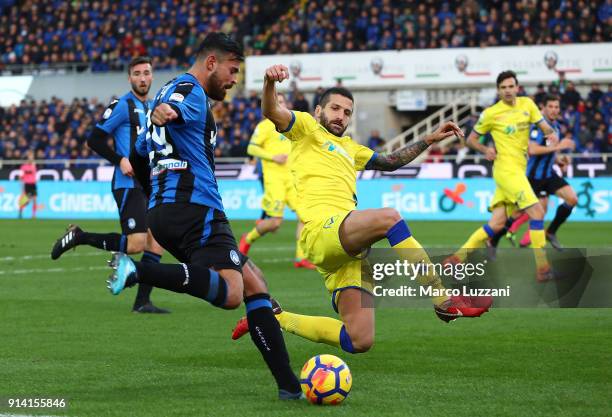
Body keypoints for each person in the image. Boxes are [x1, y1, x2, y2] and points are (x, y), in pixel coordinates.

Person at [232, 64, 491, 353]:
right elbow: (272, 112)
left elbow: (390, 161)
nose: (340, 116)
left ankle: (273, 316)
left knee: (359, 340)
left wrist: (429, 139)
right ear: (318, 111)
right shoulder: (305, 128)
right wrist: (269, 82)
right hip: (322, 231)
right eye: (335, 108)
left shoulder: (352, 148)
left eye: (346, 113)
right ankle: (443, 299)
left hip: (346, 248)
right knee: (389, 218)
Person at [105, 33, 302, 399]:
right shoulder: (188, 91)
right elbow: (174, 108)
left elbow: (136, 156)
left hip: (166, 211)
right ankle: (138, 271)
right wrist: (169, 113)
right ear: (211, 62)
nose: (233, 79)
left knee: (255, 284)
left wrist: (155, 198)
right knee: (232, 293)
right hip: (197, 208)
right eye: (232, 70)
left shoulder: (164, 90)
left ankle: (289, 387)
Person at [50, 57, 169, 314]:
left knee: (156, 243)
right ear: (130, 78)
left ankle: (142, 302)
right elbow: (94, 139)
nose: (142, 78)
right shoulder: (122, 105)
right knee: (137, 244)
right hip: (127, 184)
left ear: (152, 76)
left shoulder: (152, 106)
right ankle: (79, 237)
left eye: (146, 73)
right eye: (137, 73)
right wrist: (120, 159)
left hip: (149, 183)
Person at [445, 71, 560, 282]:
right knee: (536, 212)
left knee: (497, 223)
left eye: (511, 86)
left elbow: (545, 127)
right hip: (506, 171)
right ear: (499, 90)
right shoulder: (491, 113)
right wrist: (484, 149)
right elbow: (470, 139)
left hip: (518, 171)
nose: (507, 90)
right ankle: (543, 268)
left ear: (517, 87)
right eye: (503, 87)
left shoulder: (528, 105)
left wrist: (550, 134)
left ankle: (455, 260)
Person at [239, 92, 315, 269]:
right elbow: (251, 148)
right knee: (274, 223)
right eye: (277, 102)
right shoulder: (264, 126)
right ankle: (246, 239)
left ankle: (301, 257)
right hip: (275, 181)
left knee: (305, 216)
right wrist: (273, 157)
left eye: (282, 102)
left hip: (293, 180)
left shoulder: (291, 125)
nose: (280, 105)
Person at [490, 95, 577, 250]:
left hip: (548, 175)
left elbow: (549, 152)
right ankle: (493, 240)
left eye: (557, 107)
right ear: (543, 108)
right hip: (531, 177)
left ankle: (550, 232)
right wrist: (559, 147)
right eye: (550, 106)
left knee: (572, 199)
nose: (554, 110)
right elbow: (533, 149)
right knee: (516, 214)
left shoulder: (555, 127)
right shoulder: (537, 127)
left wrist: (559, 160)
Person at [18, 149, 37, 219]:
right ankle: (20, 210)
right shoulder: (23, 167)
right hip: (27, 184)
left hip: (33, 184)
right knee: (27, 201)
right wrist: (21, 186)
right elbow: (20, 177)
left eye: (32, 157)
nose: (31, 159)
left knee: (34, 199)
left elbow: (34, 175)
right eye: (29, 157)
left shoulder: (34, 165)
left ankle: (34, 215)